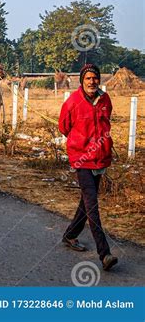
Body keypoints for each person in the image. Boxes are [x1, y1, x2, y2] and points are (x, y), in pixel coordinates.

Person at [58, 63, 118, 271]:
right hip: (82, 159)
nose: (92, 82)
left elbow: (106, 122)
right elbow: (64, 126)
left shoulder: (105, 99)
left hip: (100, 158)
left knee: (86, 201)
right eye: (88, 79)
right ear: (82, 81)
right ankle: (105, 254)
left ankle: (70, 234)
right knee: (92, 205)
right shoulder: (73, 101)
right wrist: (80, 142)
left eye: (95, 78)